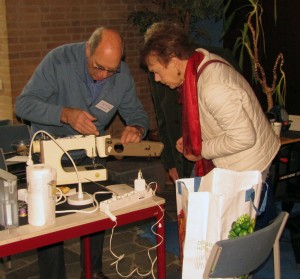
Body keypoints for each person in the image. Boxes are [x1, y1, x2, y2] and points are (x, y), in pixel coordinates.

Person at [15, 27, 149, 279]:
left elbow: (138, 114)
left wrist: (137, 128)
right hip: (48, 159)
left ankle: (93, 272)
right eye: (99, 67)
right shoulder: (58, 61)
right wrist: (64, 114)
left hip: (89, 158)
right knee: (50, 226)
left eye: (112, 69)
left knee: (96, 215)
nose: (104, 76)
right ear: (88, 49)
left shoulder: (119, 75)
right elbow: (23, 104)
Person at [141, 21, 280, 228]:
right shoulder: (198, 61)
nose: (157, 78)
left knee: (237, 235)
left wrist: (200, 149)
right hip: (243, 160)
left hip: (250, 166)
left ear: (174, 60)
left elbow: (243, 137)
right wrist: (191, 139)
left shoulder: (213, 86)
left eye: (157, 70)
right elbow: (215, 120)